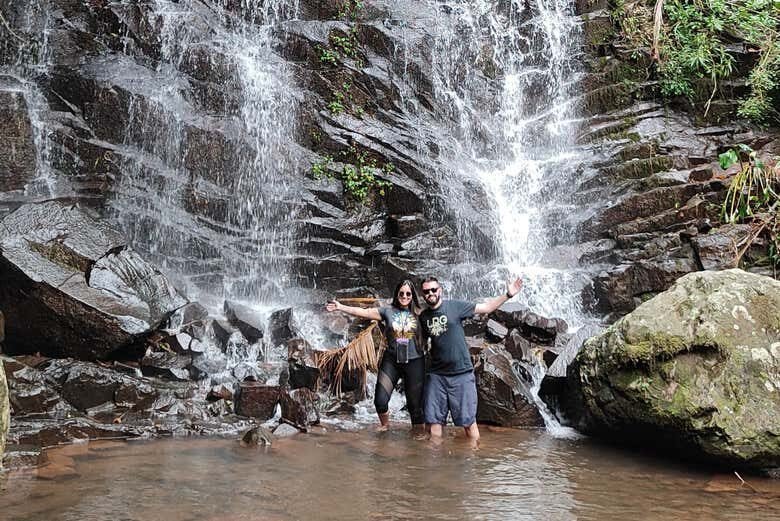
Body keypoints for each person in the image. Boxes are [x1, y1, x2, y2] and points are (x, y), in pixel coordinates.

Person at [419, 275, 522, 445]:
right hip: (437, 376)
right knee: (434, 424)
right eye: (426, 291)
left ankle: (472, 460)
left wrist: (508, 295)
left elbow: (487, 308)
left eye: (433, 290)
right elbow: (419, 342)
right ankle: (434, 466)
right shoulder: (423, 317)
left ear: (440, 290)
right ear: (423, 295)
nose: (430, 293)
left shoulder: (455, 306)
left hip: (461, 374)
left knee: (468, 422)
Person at [326, 280, 425, 433]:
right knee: (380, 400)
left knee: (415, 405)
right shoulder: (387, 311)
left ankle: (418, 434)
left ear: (412, 296)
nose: (404, 296)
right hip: (392, 361)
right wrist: (340, 306)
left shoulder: (420, 313)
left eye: (408, 294)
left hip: (415, 362)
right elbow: (364, 312)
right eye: (401, 293)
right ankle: (385, 426)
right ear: (397, 294)